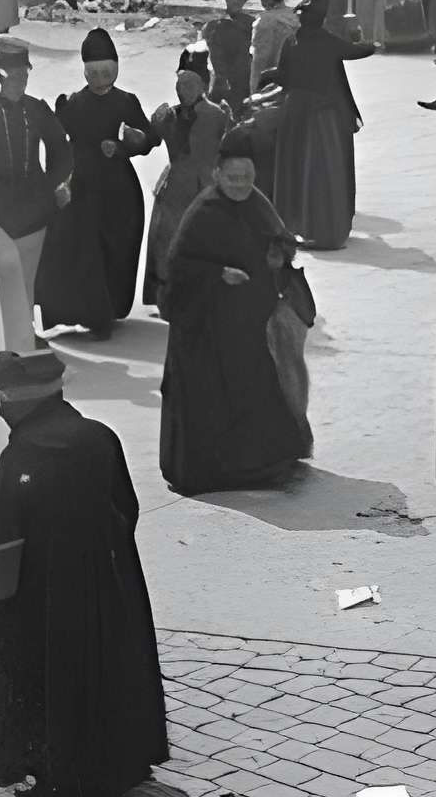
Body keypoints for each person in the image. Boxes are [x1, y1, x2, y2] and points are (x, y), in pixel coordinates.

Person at [0, 349, 167, 797]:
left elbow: (1, 531)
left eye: (3, 398)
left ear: (21, 401)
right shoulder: (99, 437)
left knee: (49, 682)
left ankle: (61, 780)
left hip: (43, 602)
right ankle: (122, 764)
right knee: (108, 671)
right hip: (108, 587)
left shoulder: (22, 451)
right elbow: (128, 510)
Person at [159, 121, 311, 494]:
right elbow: (177, 268)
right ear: (217, 175)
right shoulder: (204, 211)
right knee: (218, 401)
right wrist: (216, 274)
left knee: (256, 392)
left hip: (249, 326)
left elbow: (280, 239)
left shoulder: (257, 202)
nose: (240, 185)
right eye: (232, 178)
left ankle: (265, 463)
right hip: (206, 333)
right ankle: (227, 472)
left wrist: (279, 252)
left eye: (246, 177)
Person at [35, 26, 152, 340]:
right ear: (86, 73)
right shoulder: (75, 101)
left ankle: (109, 308)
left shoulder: (126, 101)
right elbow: (62, 141)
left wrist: (127, 144)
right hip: (84, 184)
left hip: (118, 188)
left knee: (116, 247)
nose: (99, 80)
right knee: (84, 249)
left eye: (105, 73)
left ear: (114, 71)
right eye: (93, 74)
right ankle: (89, 314)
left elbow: (149, 137)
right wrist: (54, 118)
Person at [0, 36, 71, 356]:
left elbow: (62, 150)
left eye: (23, 76)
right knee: (7, 270)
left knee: (25, 283)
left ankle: (21, 348)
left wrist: (53, 185)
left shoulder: (38, 111)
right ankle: (1, 343)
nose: (18, 82)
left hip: (34, 211)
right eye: (12, 76)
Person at [264, 0, 374, 249]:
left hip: (296, 114)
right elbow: (358, 51)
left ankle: (296, 226)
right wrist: (371, 42)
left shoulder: (291, 42)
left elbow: (284, 76)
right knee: (322, 173)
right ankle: (324, 228)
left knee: (295, 171)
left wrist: (267, 77)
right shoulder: (329, 42)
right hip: (324, 117)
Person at [143, 47, 228, 310]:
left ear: (204, 84)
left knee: (202, 240)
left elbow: (231, 149)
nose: (184, 89)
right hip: (174, 186)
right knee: (166, 240)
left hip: (205, 187)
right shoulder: (168, 115)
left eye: (191, 83)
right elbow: (147, 140)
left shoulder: (218, 116)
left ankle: (203, 294)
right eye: (180, 83)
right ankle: (167, 295)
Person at [202, 0, 256, 116]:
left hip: (234, 84)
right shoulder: (251, 25)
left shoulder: (212, 27)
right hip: (232, 84)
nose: (235, 0)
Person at [248, 0, 300, 91]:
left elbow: (260, 62)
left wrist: (253, 92)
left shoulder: (265, 22)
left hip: (272, 87)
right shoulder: (297, 17)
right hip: (296, 84)